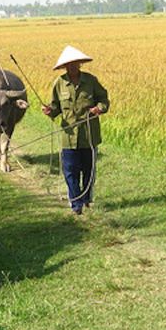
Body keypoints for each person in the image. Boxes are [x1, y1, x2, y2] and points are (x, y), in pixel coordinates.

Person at [41, 45, 109, 214]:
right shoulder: (59, 83)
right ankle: (76, 204)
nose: (72, 66)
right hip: (68, 136)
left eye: (75, 63)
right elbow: (56, 107)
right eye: (69, 64)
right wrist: (50, 111)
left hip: (89, 135)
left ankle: (86, 199)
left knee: (88, 170)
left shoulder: (91, 81)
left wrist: (99, 108)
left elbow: (104, 100)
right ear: (64, 66)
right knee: (70, 171)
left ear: (80, 64)